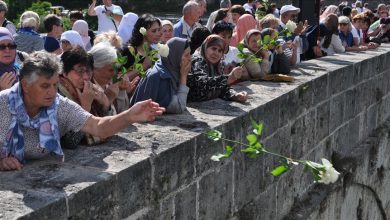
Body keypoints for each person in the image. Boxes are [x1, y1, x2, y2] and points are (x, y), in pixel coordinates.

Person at [0, 51, 164, 171]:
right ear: (25, 85)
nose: (52, 92)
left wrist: (129, 116)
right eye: (44, 86)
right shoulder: (3, 104)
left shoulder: (58, 105)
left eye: (55, 85)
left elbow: (98, 126)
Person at [59, 46, 109, 147]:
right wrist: (85, 107)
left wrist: (105, 104)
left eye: (89, 71)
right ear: (64, 72)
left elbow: (108, 128)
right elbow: (69, 142)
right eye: (80, 71)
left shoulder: (92, 86)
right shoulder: (58, 94)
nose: (86, 77)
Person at [130, 38, 191, 114]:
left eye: (190, 54)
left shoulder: (168, 65)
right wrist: (184, 76)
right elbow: (179, 107)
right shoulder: (162, 76)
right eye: (186, 55)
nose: (190, 58)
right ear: (175, 55)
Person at [188, 34, 247, 103]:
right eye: (213, 48)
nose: (216, 53)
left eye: (220, 51)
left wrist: (235, 95)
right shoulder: (197, 60)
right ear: (205, 47)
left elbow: (221, 87)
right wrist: (229, 78)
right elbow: (201, 83)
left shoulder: (218, 64)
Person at [90, 42, 131, 115]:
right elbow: (96, 122)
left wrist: (121, 92)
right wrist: (108, 99)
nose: (114, 73)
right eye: (110, 70)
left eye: (116, 69)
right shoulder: (88, 89)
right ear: (94, 68)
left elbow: (123, 115)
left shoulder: (109, 83)